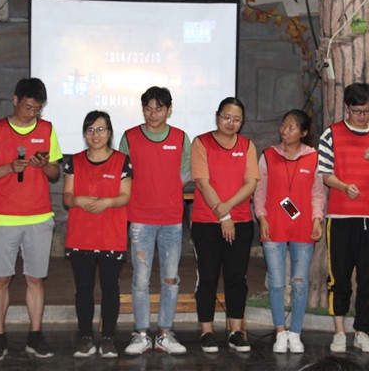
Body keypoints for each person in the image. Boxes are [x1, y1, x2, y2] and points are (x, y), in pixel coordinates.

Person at [0, 77, 62, 361]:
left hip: (39, 215)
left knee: (35, 279)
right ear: (15, 101)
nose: (32, 113)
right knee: (1, 279)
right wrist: (9, 168)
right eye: (28, 107)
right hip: (5, 216)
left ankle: (35, 336)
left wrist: (45, 164)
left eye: (37, 109)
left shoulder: (47, 129)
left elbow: (55, 173)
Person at [318, 84, 369, 354]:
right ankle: (339, 330)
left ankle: (363, 331)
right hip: (341, 216)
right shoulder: (331, 134)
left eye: (367, 111)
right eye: (357, 111)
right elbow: (324, 174)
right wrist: (343, 186)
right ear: (347, 108)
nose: (362, 116)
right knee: (339, 276)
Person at [119, 86, 191, 356]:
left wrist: (166, 189)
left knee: (170, 279)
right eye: (148, 108)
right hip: (140, 219)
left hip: (171, 219)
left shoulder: (181, 137)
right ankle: (141, 334)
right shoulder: (130, 137)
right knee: (140, 279)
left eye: (159, 108)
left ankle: (165, 334)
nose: (153, 114)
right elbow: (123, 174)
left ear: (169, 110)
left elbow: (187, 172)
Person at [254, 109, 325, 354]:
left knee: (299, 283)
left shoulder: (313, 157)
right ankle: (280, 332)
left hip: (303, 227)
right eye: (283, 125)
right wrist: (262, 218)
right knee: (276, 282)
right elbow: (259, 192)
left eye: (292, 127)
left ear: (303, 133)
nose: (285, 131)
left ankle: (295, 332)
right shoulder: (268, 155)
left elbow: (318, 193)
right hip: (273, 225)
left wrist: (317, 220)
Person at [191, 97, 260, 353]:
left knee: (236, 279)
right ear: (217, 116)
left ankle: (235, 332)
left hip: (240, 222)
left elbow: (251, 183)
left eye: (237, 119)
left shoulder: (247, 145)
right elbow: (202, 182)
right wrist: (223, 216)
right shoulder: (201, 142)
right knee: (208, 277)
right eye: (226, 117)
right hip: (207, 222)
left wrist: (228, 209)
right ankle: (207, 332)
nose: (231, 123)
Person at [62, 111, 132, 359]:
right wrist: (78, 200)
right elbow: (67, 196)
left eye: (101, 129)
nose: (95, 135)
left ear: (109, 133)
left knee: (110, 288)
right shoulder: (74, 161)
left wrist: (107, 202)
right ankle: (85, 337)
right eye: (90, 130)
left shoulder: (122, 161)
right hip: (81, 235)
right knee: (84, 289)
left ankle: (108, 339)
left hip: (111, 235)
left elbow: (126, 196)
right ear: (84, 133)